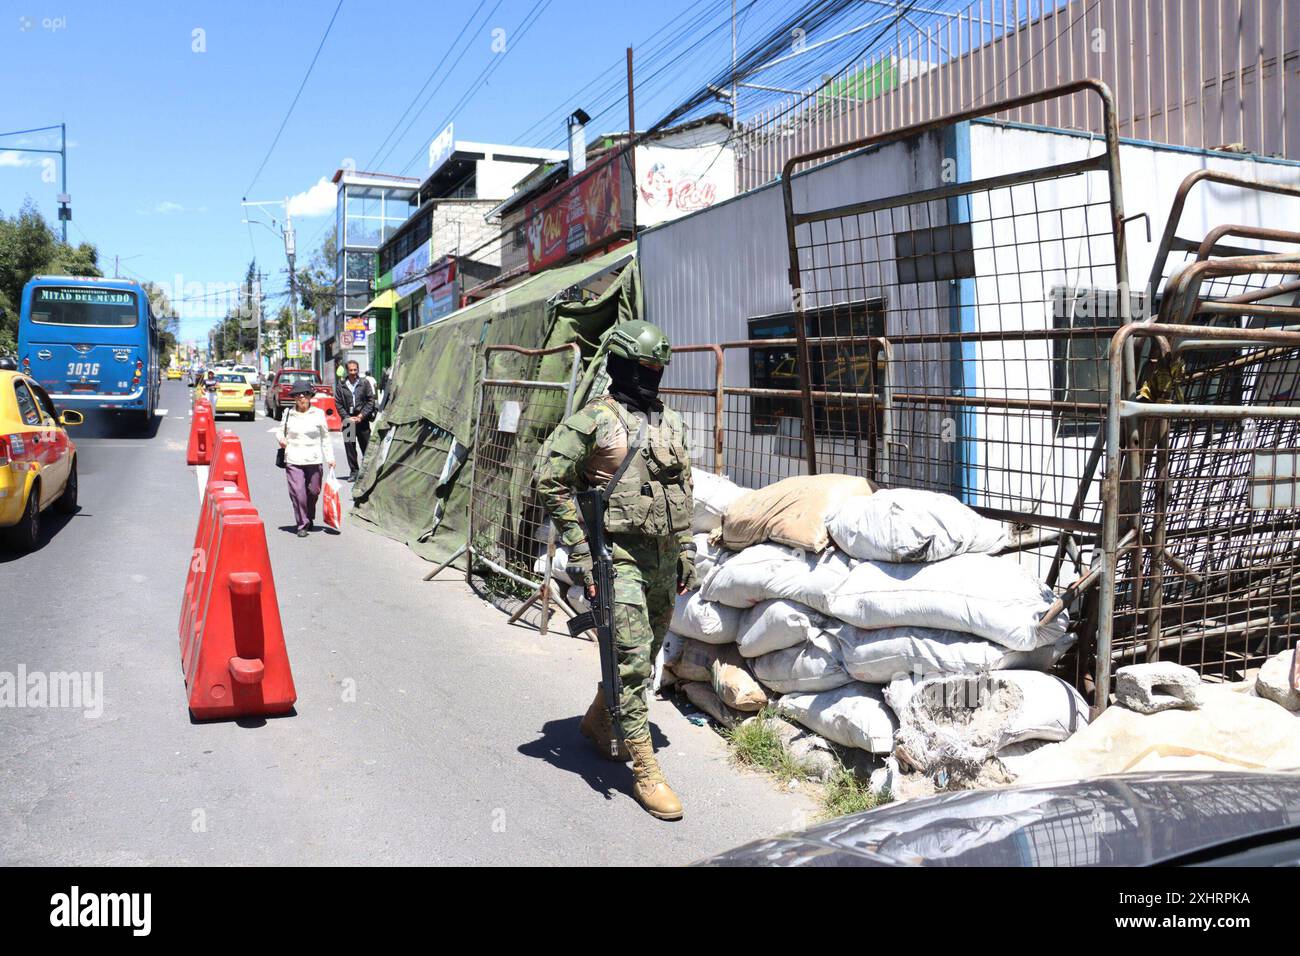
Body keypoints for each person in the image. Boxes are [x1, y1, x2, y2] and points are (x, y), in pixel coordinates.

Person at [535, 320, 696, 821]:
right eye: (643, 367)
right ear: (621, 365)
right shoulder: (594, 421)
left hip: (664, 562)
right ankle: (645, 771)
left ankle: (597, 720)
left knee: (646, 657)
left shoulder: (672, 421)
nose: (651, 377)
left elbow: (683, 489)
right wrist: (582, 551)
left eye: (657, 369)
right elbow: (549, 479)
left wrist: (686, 548)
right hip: (618, 560)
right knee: (628, 662)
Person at [278, 380, 336, 537]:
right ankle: (302, 524)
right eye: (297, 395)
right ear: (294, 398)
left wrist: (330, 458)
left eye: (304, 395)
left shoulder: (318, 414)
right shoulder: (288, 413)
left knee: (313, 491)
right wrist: (281, 439)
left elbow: (325, 438)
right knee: (298, 493)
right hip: (294, 458)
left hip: (314, 459)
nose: (301, 398)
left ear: (310, 396)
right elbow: (280, 431)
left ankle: (309, 517)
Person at [334, 359, 375, 481]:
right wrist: (347, 418)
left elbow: (370, 401)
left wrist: (362, 415)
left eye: (355, 370)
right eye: (350, 370)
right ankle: (354, 471)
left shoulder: (364, 383)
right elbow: (338, 403)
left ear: (358, 370)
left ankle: (367, 472)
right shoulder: (341, 386)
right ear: (347, 370)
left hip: (362, 420)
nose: (353, 372)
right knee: (350, 448)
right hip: (348, 421)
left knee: (366, 447)